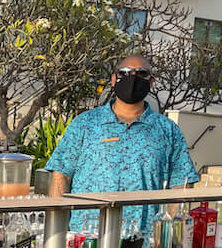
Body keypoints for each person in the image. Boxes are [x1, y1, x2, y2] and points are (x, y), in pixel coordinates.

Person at [45, 54, 200, 234]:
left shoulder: (167, 130)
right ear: (113, 79)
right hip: (86, 240)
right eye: (125, 73)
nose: (132, 78)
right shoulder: (86, 123)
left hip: (143, 241)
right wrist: (57, 233)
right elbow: (61, 176)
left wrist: (170, 235)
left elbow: (181, 185)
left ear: (151, 82)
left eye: (141, 74)